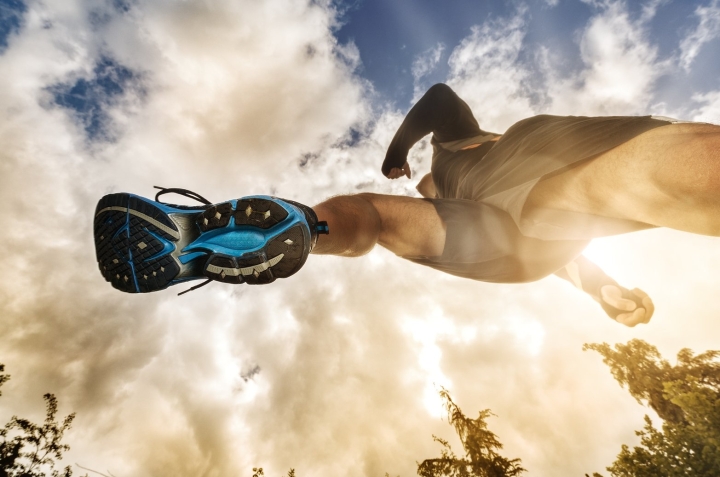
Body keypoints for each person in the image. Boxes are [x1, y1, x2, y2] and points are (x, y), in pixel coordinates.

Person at [94, 84, 720, 327]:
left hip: (511, 232)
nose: (417, 180)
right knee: (631, 181)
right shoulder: (461, 153)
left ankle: (280, 231)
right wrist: (600, 288)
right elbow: (444, 101)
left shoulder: (452, 159)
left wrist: (601, 291)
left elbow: (441, 103)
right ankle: (263, 233)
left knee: (374, 215)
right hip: (521, 209)